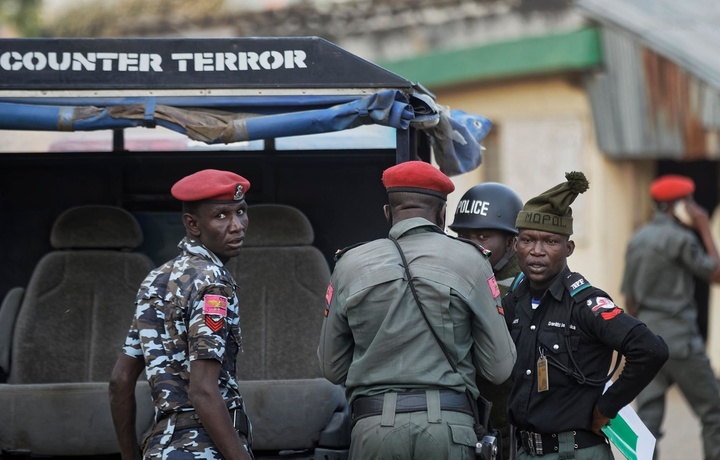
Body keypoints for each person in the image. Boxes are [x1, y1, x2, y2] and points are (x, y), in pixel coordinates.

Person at [318, 160, 517, 460]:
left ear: (388, 213)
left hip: (373, 431)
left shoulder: (349, 264)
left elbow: (332, 369)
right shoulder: (472, 261)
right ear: (442, 213)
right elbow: (498, 369)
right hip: (450, 429)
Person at [503, 171, 669, 459]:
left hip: (574, 452)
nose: (537, 251)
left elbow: (650, 349)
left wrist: (608, 407)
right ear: (516, 245)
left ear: (568, 248)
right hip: (524, 451)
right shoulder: (513, 302)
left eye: (551, 242)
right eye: (528, 240)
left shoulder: (585, 304)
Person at [109, 169, 254, 460]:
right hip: (206, 448)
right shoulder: (213, 282)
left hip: (160, 448)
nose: (237, 225)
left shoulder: (155, 279)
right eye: (221, 216)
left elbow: (120, 380)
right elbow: (202, 390)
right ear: (192, 224)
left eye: (241, 211)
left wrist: (129, 456)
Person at [621, 174, 720, 460]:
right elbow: (715, 273)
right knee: (714, 412)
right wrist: (703, 226)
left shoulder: (637, 239)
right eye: (688, 202)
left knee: (648, 420)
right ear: (674, 206)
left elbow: (630, 300)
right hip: (681, 342)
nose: (694, 208)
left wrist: (639, 339)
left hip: (648, 341)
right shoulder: (681, 238)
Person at [449, 182, 524, 459]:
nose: (471, 246)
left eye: (483, 236)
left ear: (511, 241)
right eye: (463, 236)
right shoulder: (455, 276)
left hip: (512, 426)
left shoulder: (527, 285)